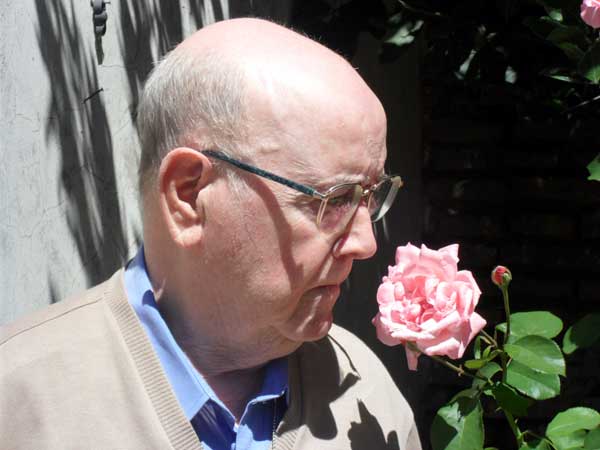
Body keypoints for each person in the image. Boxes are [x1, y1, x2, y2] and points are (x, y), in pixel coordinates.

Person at [0, 18, 422, 450]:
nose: (366, 243)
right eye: (335, 200)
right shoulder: (19, 403)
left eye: (372, 194)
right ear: (188, 195)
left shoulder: (369, 397)